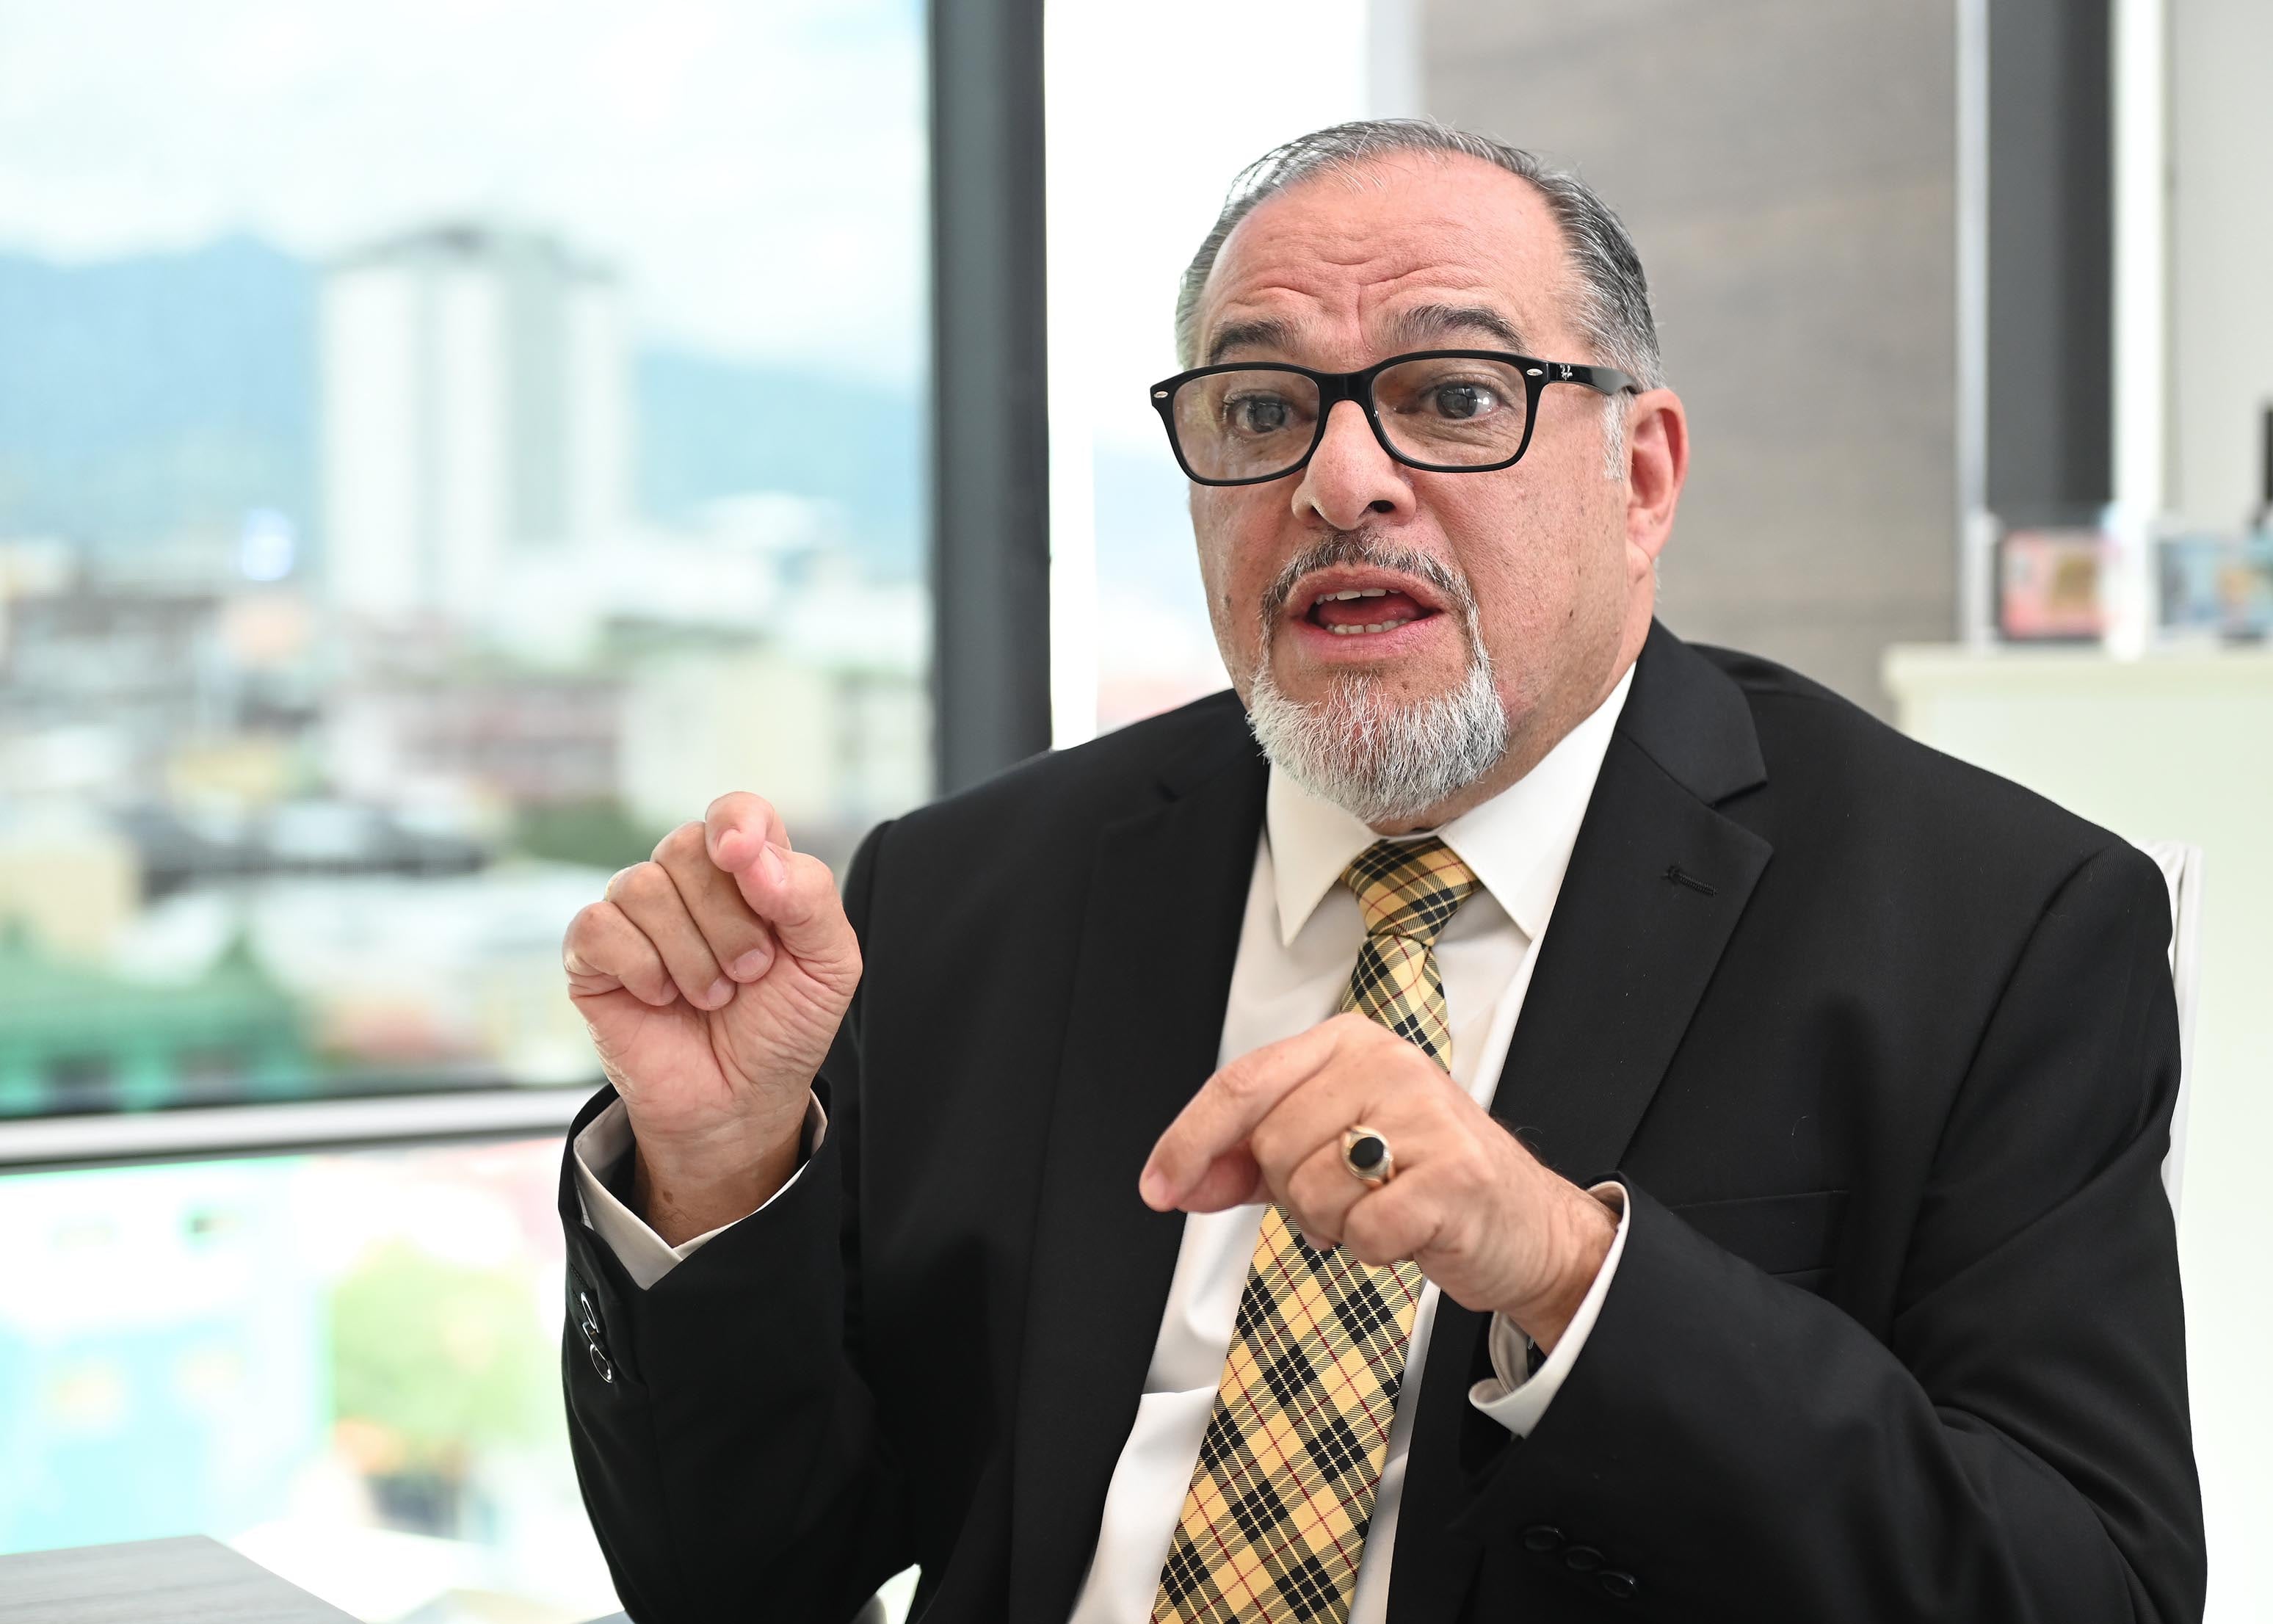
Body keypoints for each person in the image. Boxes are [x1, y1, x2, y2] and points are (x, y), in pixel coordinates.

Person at [554, 121, 2204, 1623]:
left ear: (1641, 478)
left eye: (1456, 397)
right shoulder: (971, 886)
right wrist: (716, 1166)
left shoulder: (2001, 924)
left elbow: (2091, 1585)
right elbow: (739, 1576)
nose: (1341, 480)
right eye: (1262, 410)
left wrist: (1568, 1268)